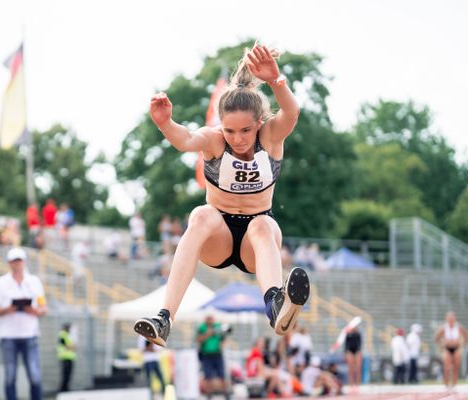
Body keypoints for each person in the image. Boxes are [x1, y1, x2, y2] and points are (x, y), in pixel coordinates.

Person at [134, 43, 310, 347]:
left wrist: (275, 80)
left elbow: (291, 112)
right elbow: (186, 138)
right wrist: (165, 124)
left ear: (258, 123)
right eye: (230, 131)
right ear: (222, 127)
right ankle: (164, 318)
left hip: (256, 243)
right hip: (219, 237)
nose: (238, 139)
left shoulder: (270, 136)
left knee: (262, 225)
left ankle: (274, 303)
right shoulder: (214, 140)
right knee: (200, 214)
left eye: (245, 130)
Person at [0, 247, 48, 400]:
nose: (17, 264)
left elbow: (43, 308)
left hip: (30, 334)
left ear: (24, 262)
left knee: (35, 375)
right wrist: (7, 309)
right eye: (14, 261)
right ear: (9, 263)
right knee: (10, 375)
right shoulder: (1, 283)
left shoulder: (34, 282)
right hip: (9, 335)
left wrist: (33, 311)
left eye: (19, 260)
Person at [196, 315, 230, 399]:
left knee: (222, 375)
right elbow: (199, 339)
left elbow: (224, 337)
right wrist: (208, 334)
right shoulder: (202, 328)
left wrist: (222, 345)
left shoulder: (218, 327)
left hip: (217, 354)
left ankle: (226, 393)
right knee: (208, 376)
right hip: (206, 355)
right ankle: (209, 394)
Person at [435, 311, 468, 392]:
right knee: (447, 367)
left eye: (452, 318)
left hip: (456, 348)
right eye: (449, 318)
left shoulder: (459, 327)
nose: (451, 320)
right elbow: (437, 337)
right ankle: (446, 385)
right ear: (446, 319)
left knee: (456, 367)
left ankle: (454, 385)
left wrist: (462, 344)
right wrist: (441, 344)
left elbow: (466, 335)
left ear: (455, 319)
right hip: (447, 348)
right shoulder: (444, 328)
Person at [57, 323, 77, 392]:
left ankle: (66, 388)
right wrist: (72, 346)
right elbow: (66, 345)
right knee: (65, 375)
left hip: (69, 358)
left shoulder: (67, 335)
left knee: (68, 375)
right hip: (65, 358)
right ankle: (63, 389)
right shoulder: (62, 335)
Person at [344, 326, 362, 392]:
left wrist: (359, 352)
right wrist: (346, 353)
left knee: (357, 368)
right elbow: (346, 345)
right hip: (349, 351)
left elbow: (359, 344)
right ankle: (351, 384)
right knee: (350, 369)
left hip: (357, 350)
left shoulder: (358, 334)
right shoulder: (348, 334)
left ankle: (357, 384)